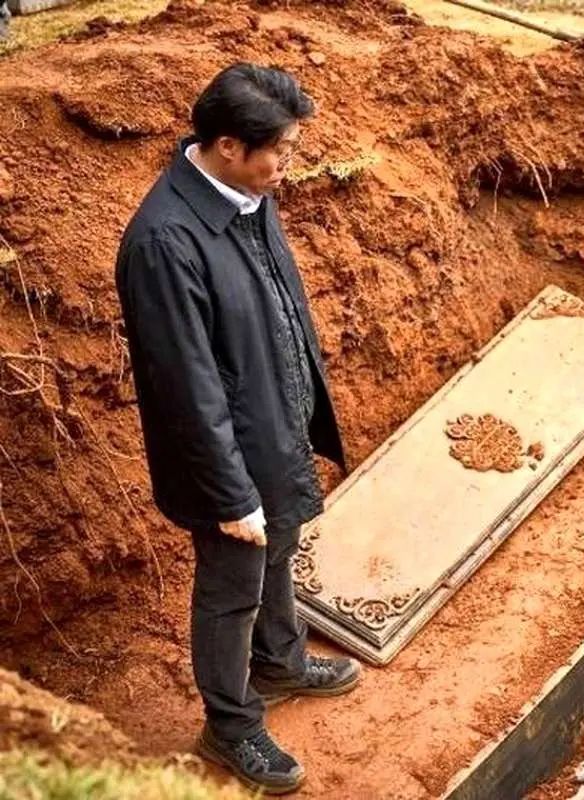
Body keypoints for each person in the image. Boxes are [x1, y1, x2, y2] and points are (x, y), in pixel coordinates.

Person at [115, 64, 360, 794]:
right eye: (279, 149)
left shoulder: (246, 195)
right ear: (228, 145)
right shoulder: (165, 242)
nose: (289, 162)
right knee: (232, 588)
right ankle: (230, 726)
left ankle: (280, 662)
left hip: (273, 429)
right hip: (228, 460)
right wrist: (230, 496)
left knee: (279, 548)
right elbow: (186, 387)